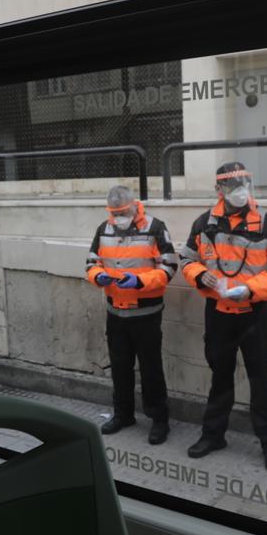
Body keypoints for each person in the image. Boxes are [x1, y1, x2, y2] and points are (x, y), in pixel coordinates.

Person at [179, 162, 267, 473]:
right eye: (233, 187)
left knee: (261, 382)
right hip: (219, 315)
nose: (241, 192)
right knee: (220, 378)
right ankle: (213, 436)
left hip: (255, 315)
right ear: (219, 191)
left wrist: (250, 289)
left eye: (245, 184)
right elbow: (187, 260)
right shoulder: (204, 223)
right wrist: (200, 275)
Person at [84, 185, 178, 444]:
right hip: (115, 313)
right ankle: (123, 414)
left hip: (146, 314)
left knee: (151, 369)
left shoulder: (155, 227)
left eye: (123, 212)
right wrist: (97, 276)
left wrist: (139, 282)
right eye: (115, 213)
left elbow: (169, 266)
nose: (119, 217)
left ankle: (159, 420)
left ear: (134, 206)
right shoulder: (104, 229)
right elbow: (92, 263)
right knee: (120, 368)